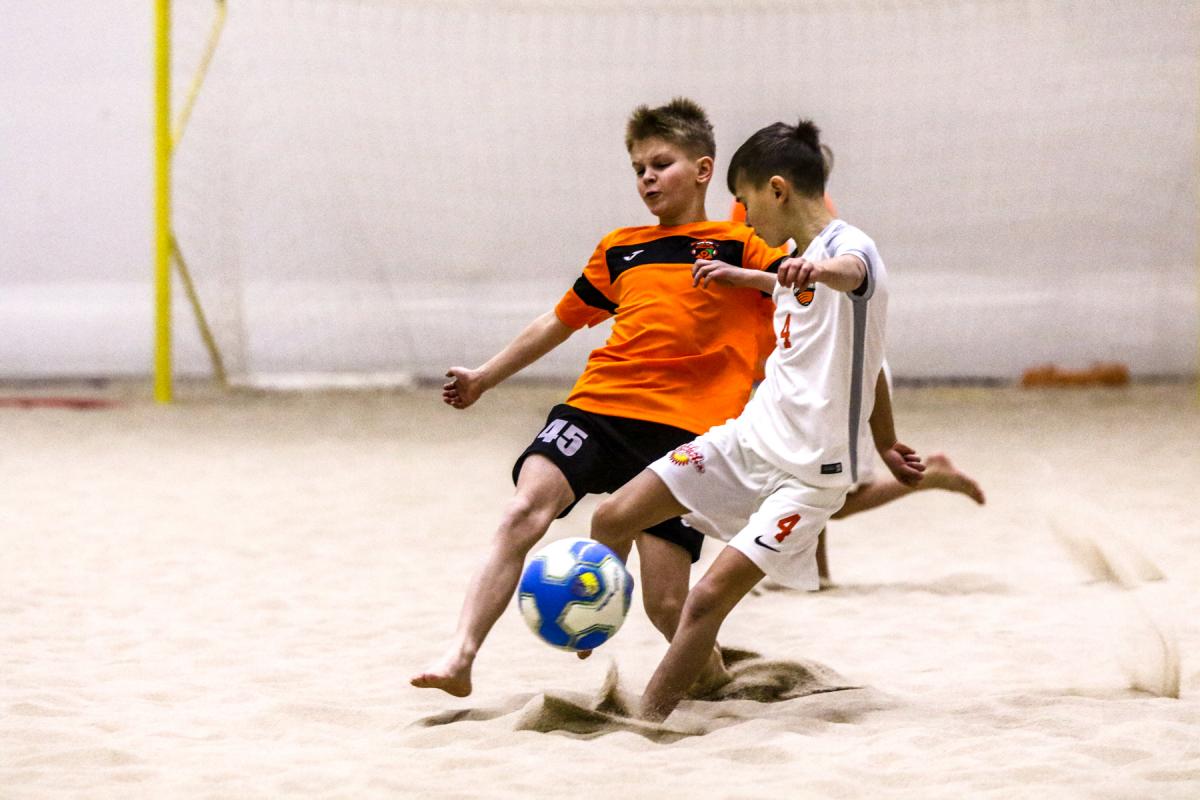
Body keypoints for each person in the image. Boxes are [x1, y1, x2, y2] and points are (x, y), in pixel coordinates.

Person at [409, 98, 790, 698]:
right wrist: (484, 377)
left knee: (667, 607)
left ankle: (721, 683)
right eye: (638, 168)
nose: (647, 178)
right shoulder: (620, 247)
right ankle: (460, 657)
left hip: (684, 434)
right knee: (521, 513)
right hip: (599, 407)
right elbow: (556, 322)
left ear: (702, 170)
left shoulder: (741, 244)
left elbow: (801, 296)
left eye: (660, 164)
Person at [590, 117, 922, 720]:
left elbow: (849, 274)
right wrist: (745, 275)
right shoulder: (796, 261)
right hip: (746, 441)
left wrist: (816, 273)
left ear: (777, 190)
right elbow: (836, 330)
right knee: (611, 517)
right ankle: (587, 621)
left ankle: (648, 721)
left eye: (744, 203)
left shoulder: (850, 249)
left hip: (807, 480)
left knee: (704, 601)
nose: (742, 219)